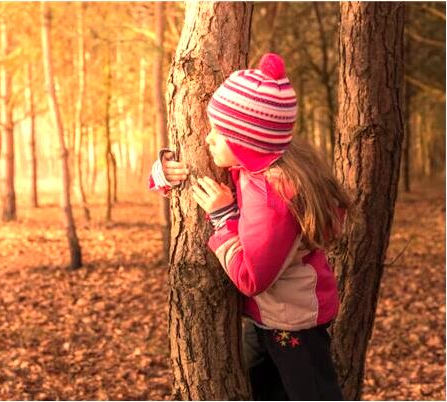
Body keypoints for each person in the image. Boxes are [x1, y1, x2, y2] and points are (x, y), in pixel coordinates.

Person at [149, 53, 352, 400]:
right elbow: (194, 180)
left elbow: (252, 278)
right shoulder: (252, 167)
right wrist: (164, 174)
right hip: (268, 319)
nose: (207, 139)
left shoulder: (274, 198)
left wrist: (224, 218)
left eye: (218, 131)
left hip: (294, 326)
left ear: (246, 142)